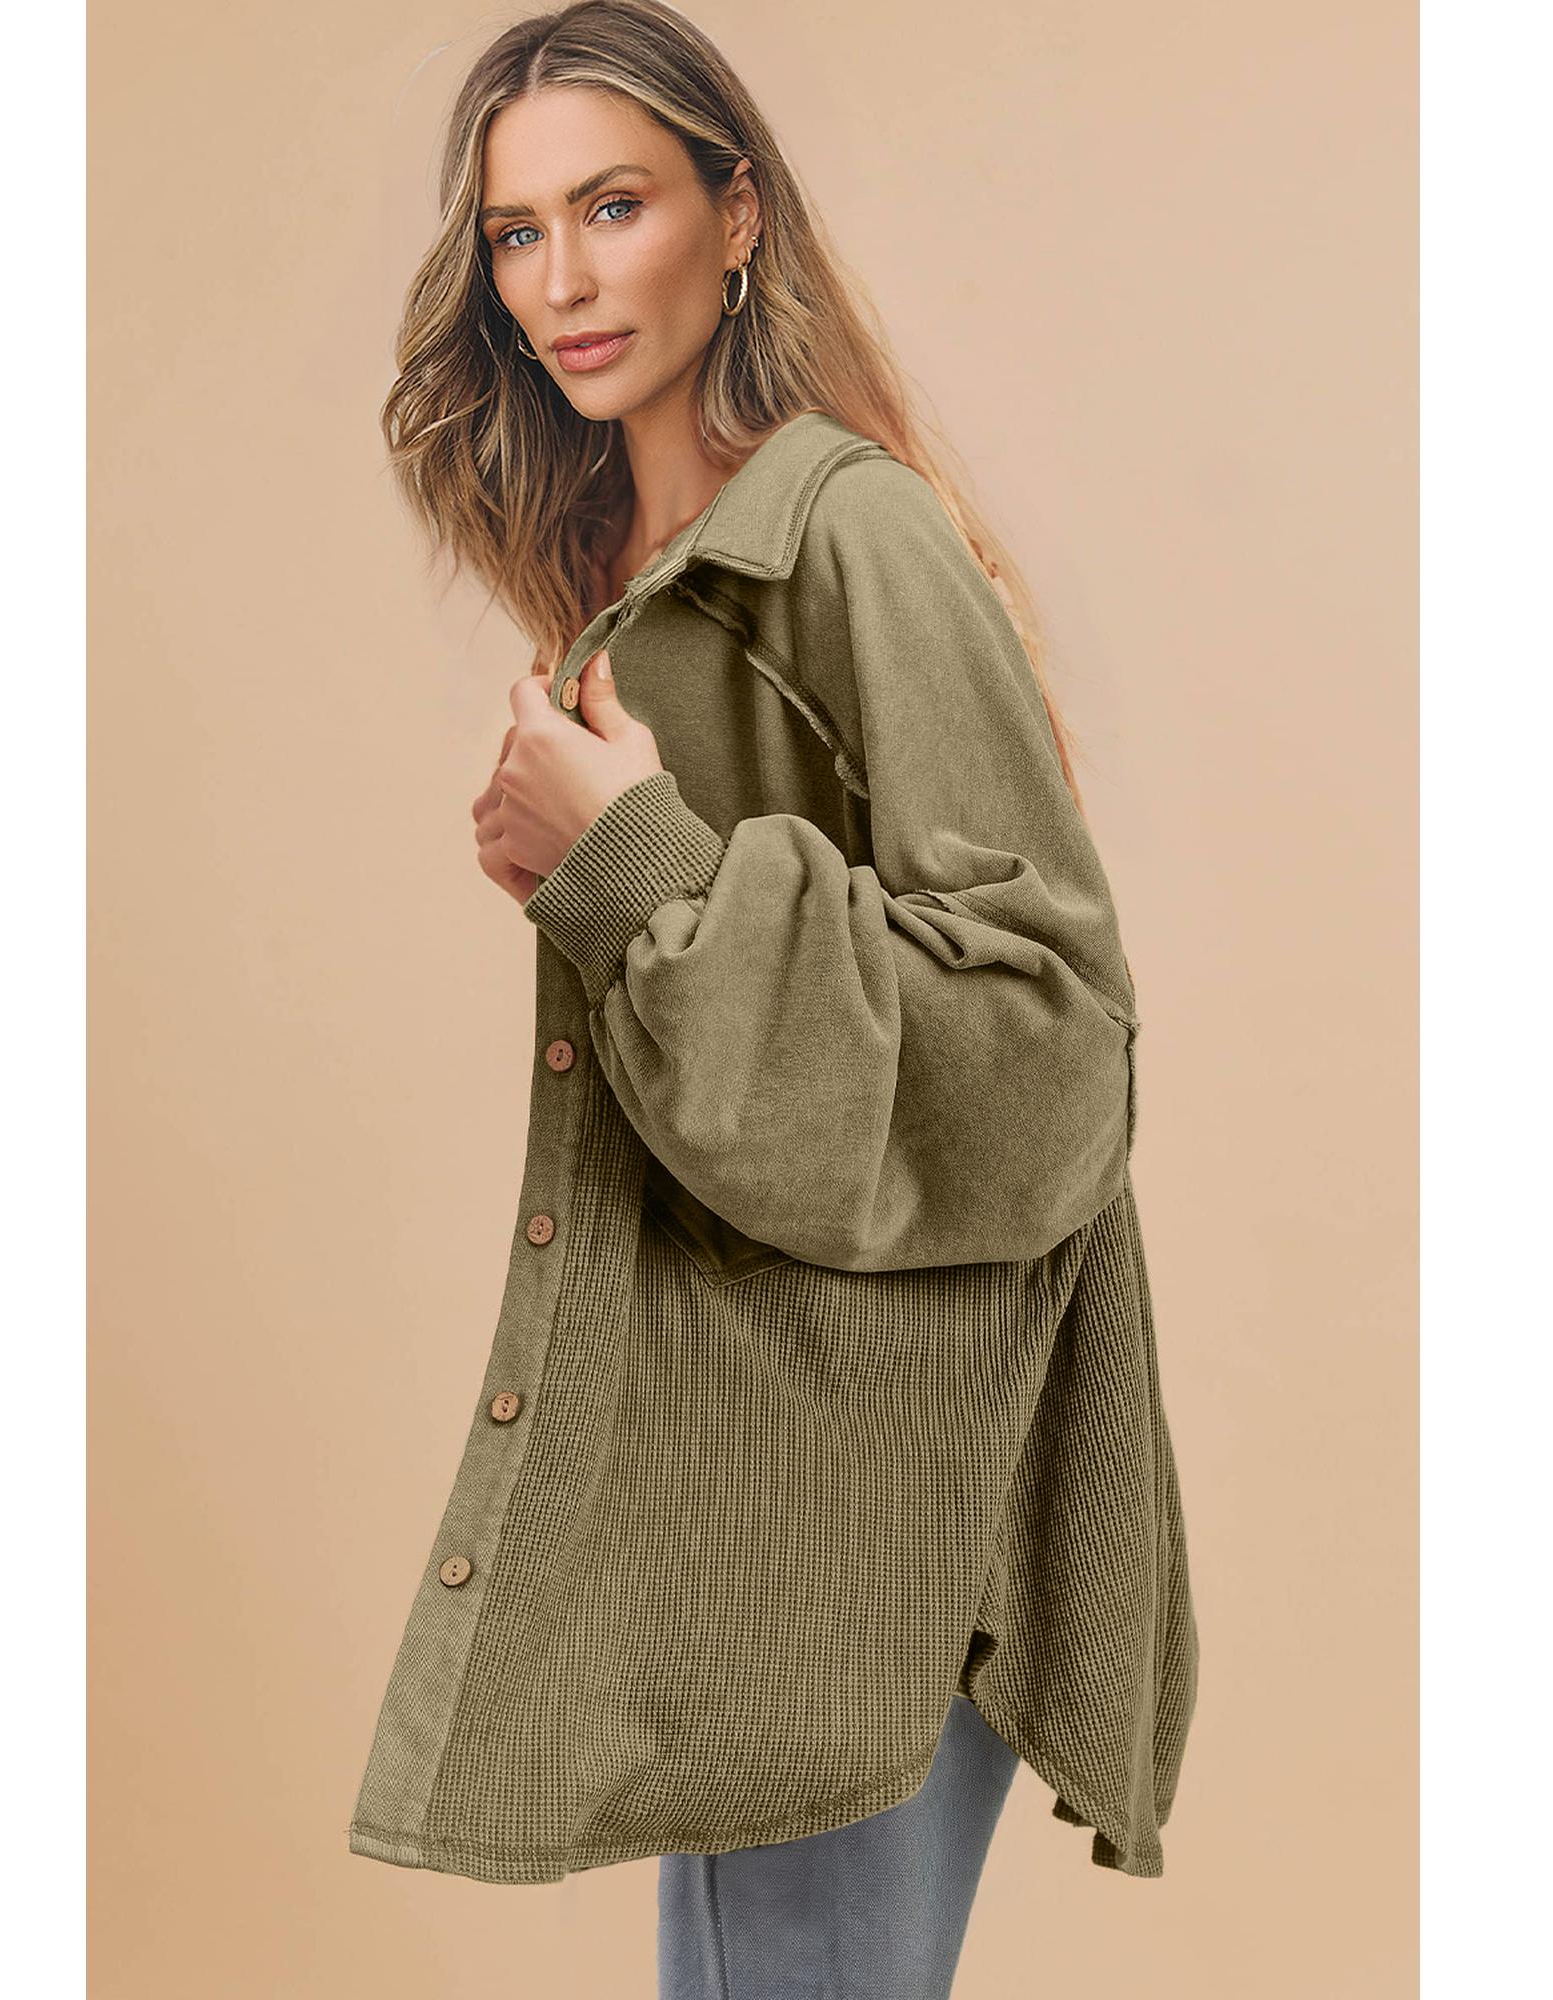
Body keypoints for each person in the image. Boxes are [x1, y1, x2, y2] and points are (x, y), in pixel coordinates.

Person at [345, 5, 1200, 1994]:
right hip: (756, 1479)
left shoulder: (847, 528)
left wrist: (636, 860)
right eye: (517, 231)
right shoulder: (645, 572)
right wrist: (602, 878)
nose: (560, 281)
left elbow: (1050, 1052)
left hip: (871, 1497)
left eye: (614, 206)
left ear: (736, 217)